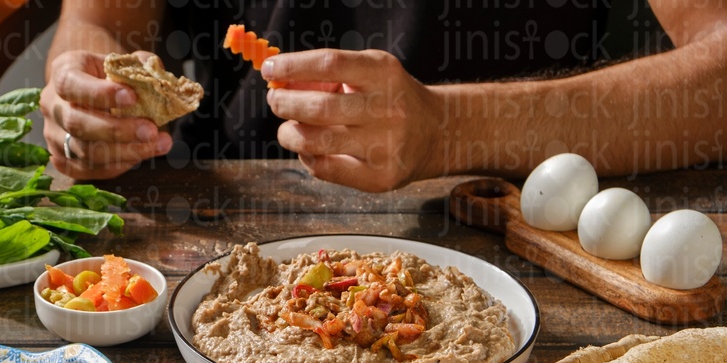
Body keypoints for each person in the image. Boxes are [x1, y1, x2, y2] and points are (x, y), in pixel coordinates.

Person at [40, 2, 726, 193]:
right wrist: (84, 90)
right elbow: (103, 22)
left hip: (511, 220)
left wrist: (448, 130)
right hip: (228, 212)